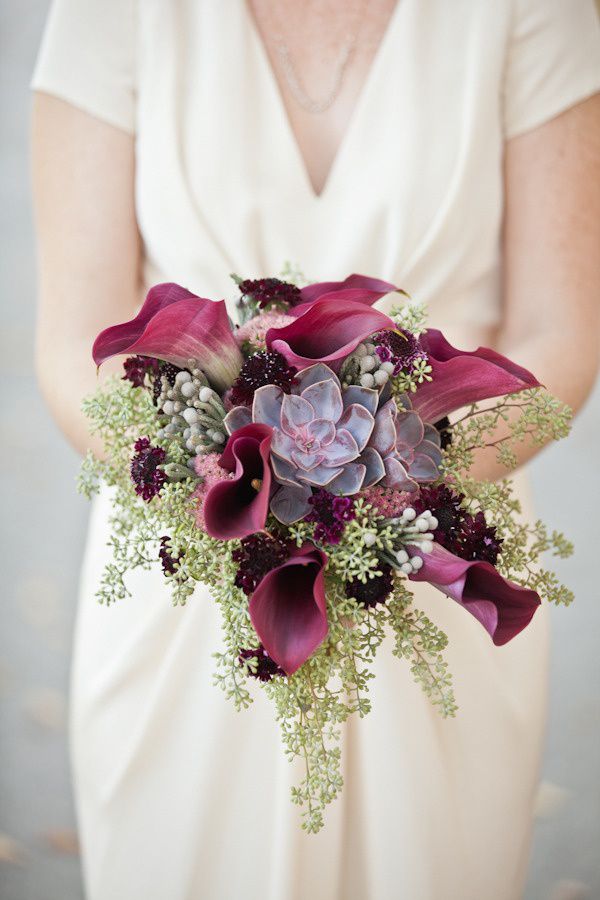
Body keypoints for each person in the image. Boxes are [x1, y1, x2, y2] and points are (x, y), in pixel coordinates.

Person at [30, 2, 600, 898]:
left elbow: (558, 335)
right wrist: (225, 491)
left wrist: (381, 506)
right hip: (191, 580)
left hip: (435, 572)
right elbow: (74, 337)